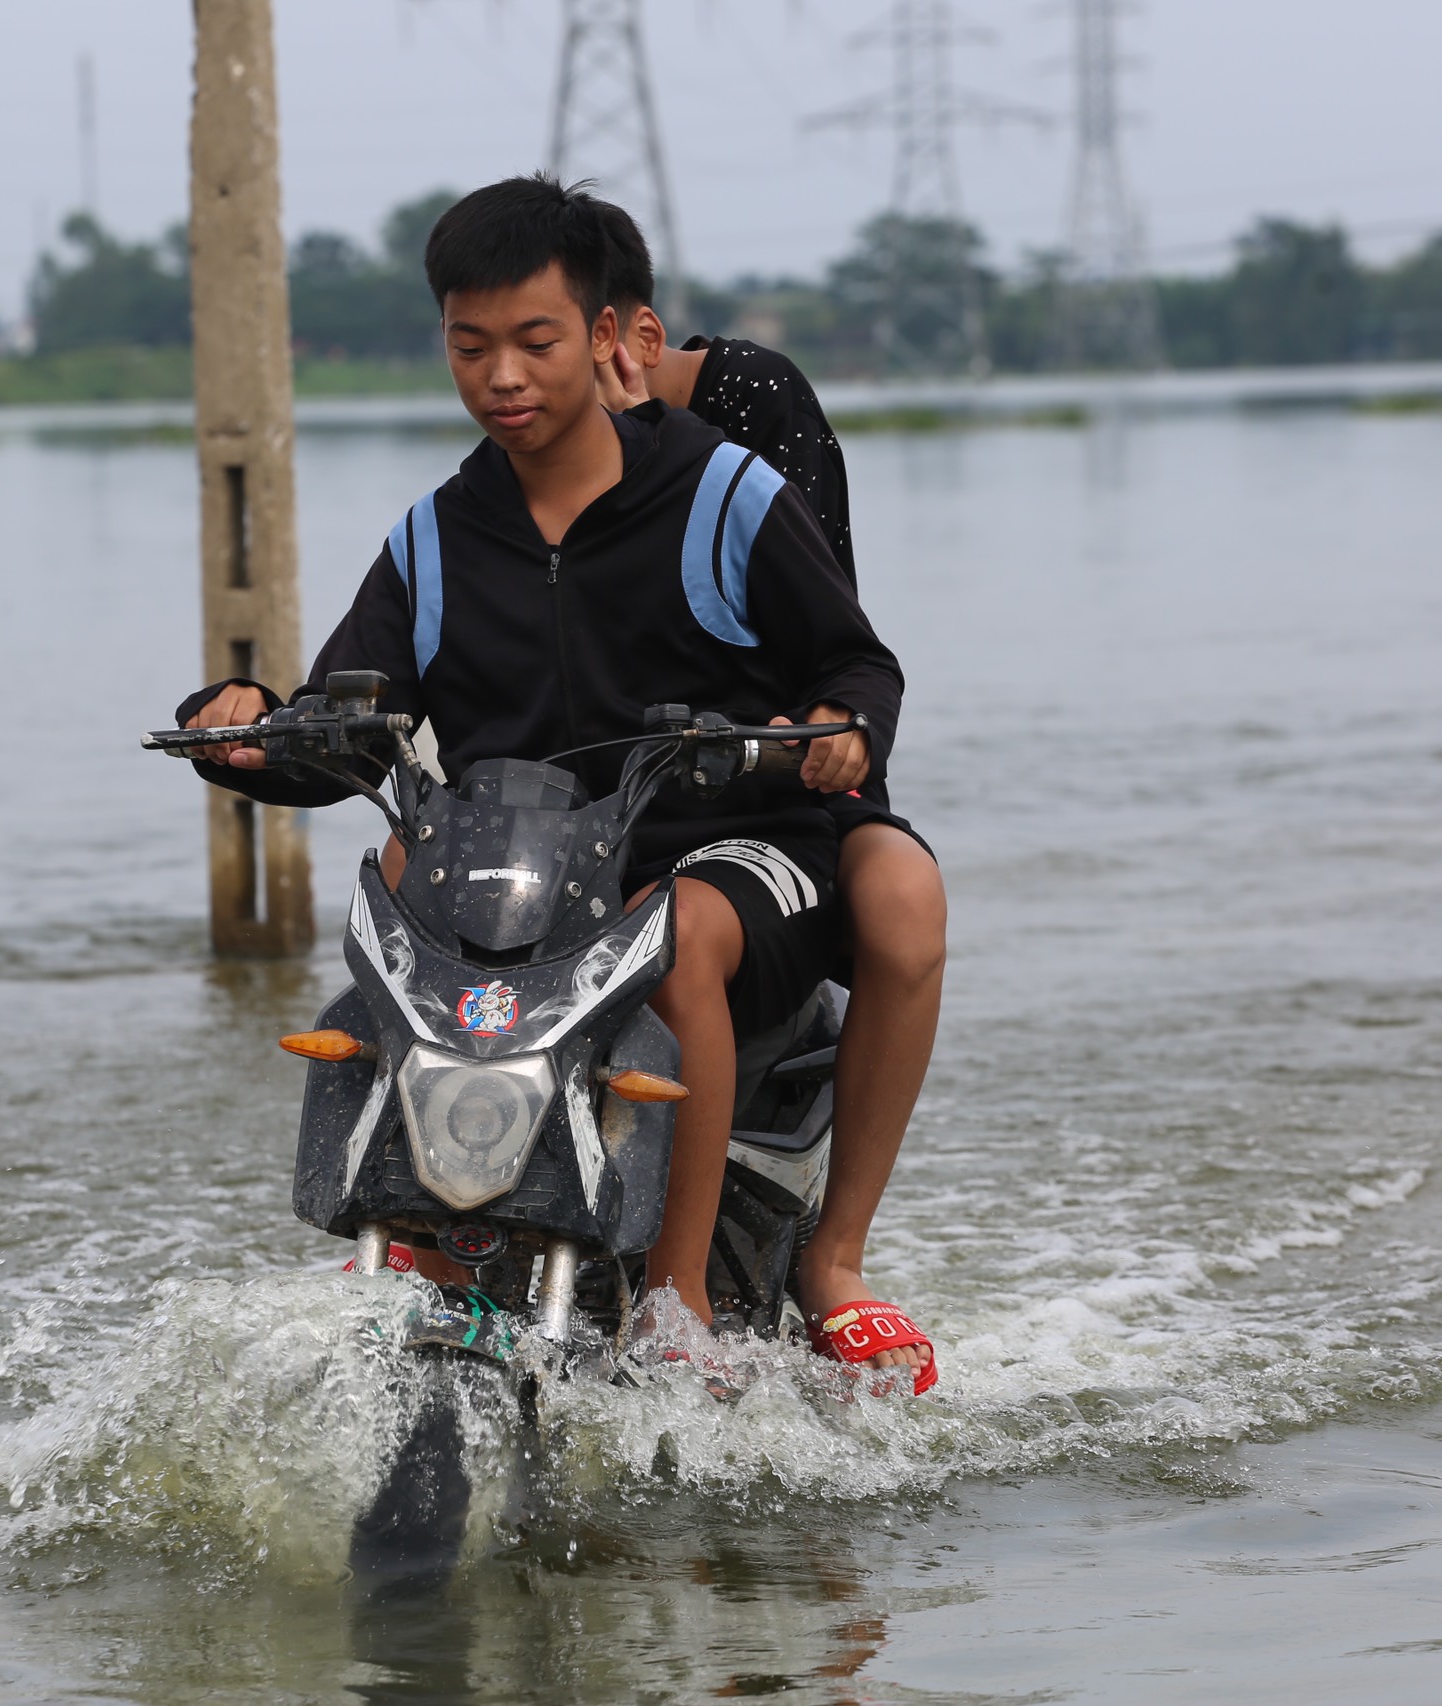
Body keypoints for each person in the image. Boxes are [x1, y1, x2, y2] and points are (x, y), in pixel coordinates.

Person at [174, 176, 936, 1390]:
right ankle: (418, 1245)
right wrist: (253, 726)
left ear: (602, 335)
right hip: (527, 865)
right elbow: (347, 723)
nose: (502, 377)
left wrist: (841, 724)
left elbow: (855, 659)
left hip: (733, 845)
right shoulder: (433, 535)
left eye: (533, 341)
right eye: (470, 347)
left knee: (672, 935)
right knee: (394, 877)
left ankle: (678, 1300)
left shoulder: (723, 495)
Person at [587, 204, 947, 1384]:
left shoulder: (746, 405)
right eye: (490, 351)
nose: (524, 383)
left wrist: (823, 741)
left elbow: (823, 627)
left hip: (783, 765)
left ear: (634, 332)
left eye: (556, 349)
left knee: (901, 898)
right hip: (616, 800)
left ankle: (831, 1255)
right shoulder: (512, 468)